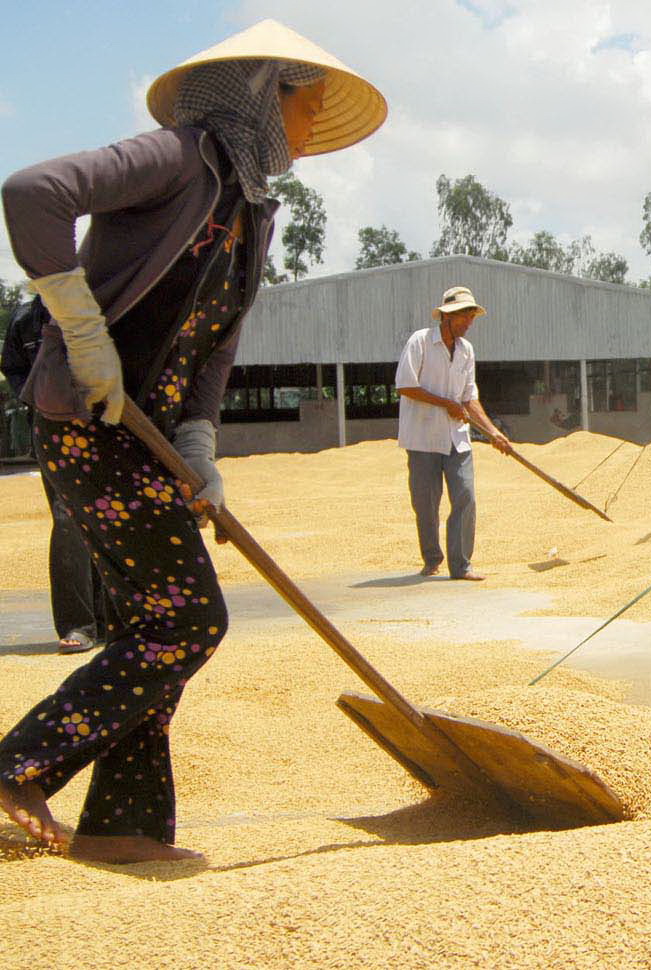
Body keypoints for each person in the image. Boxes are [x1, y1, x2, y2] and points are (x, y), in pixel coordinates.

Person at [0, 20, 386, 863]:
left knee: (153, 628)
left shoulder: (251, 208)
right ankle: (18, 763)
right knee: (188, 621)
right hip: (88, 421)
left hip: (149, 439)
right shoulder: (179, 157)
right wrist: (81, 327)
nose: (314, 126)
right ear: (265, 95)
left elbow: (216, 344)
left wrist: (201, 448)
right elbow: (32, 191)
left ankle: (125, 828)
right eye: (308, 106)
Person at [2, 298, 109, 654]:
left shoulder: (94, 305)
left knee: (106, 520)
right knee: (68, 522)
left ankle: (108, 620)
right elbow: (13, 368)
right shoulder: (24, 320)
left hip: (102, 427)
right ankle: (78, 624)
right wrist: (39, 397)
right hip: (51, 430)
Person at [395, 285, 513, 581]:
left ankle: (461, 566)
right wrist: (446, 403)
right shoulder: (420, 342)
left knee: (466, 496)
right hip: (422, 438)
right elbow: (405, 385)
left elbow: (469, 398)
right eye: (464, 316)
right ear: (447, 316)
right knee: (426, 503)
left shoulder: (466, 351)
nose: (469, 323)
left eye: (472, 317)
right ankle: (432, 558)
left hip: (457, 439)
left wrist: (493, 432)